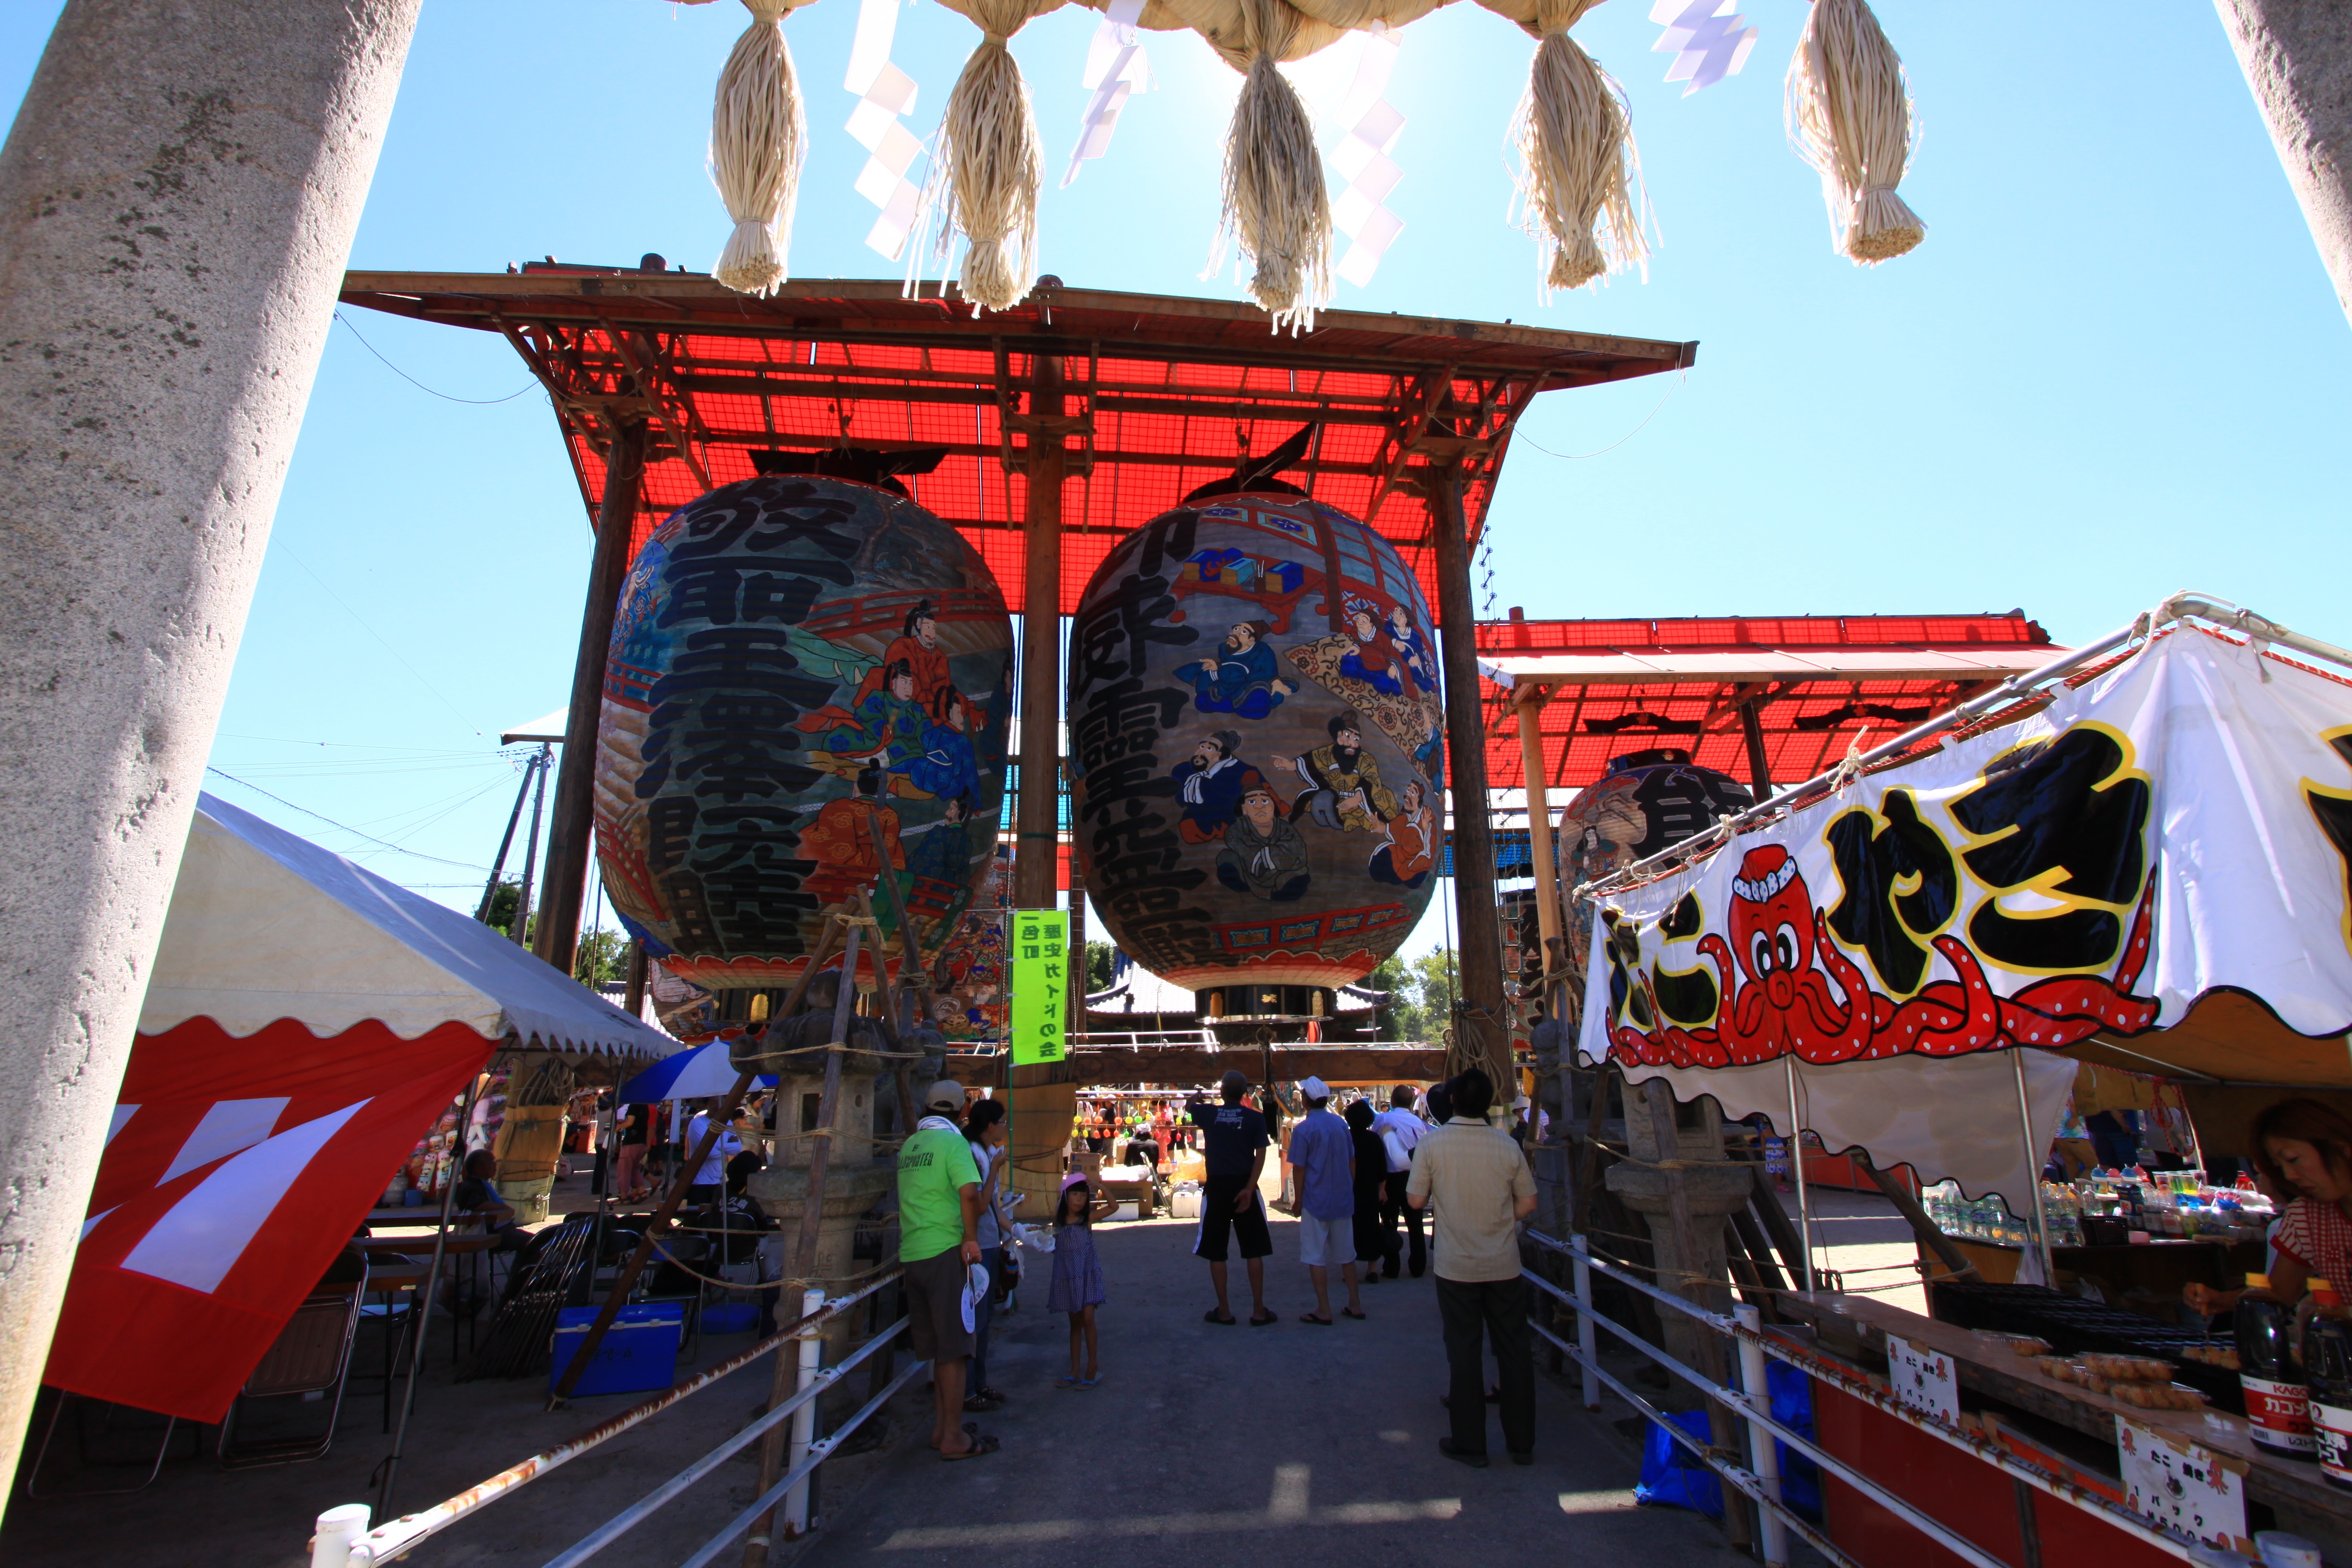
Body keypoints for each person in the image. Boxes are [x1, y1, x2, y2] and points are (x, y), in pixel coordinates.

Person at [1408, 1067, 1538, 1469]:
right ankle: (1522, 1443)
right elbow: (1528, 1204)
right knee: (1514, 1350)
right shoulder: (1506, 1146)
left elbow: (1415, 1202)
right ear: (1488, 1102)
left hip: (1456, 1265)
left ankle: (1471, 1442)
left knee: (1463, 1352)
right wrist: (1500, 1221)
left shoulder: (1433, 1145)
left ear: (1450, 1101)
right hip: (1502, 1261)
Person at [897, 1080, 995, 1459]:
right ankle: (953, 1436)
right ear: (962, 1110)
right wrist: (970, 1239)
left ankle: (942, 1428)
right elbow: (969, 1193)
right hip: (945, 1251)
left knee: (939, 1351)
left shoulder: (911, 1145)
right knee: (955, 1350)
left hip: (913, 1252)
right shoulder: (954, 1144)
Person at [2186, 1098, 2352, 1317]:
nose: (2289, 1175)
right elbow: (2280, 1293)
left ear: (2341, 1148)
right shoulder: (2307, 1216)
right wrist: (2219, 1299)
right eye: (2279, 1167)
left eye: (2293, 1159)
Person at [1186, 1071, 1276, 1326]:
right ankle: (1259, 1310)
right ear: (1246, 1094)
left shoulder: (1209, 1113)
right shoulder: (1255, 1118)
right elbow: (1261, 1155)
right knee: (1254, 1249)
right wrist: (1250, 1188)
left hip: (1217, 1186)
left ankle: (1224, 1311)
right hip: (1244, 1184)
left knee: (1217, 1251)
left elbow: (1191, 1106)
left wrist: (1200, 1095)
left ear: (1222, 1093)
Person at [1283, 1077, 1364, 1324]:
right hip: (1342, 1199)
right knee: (1347, 1255)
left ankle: (1324, 1309)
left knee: (1315, 1255)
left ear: (1306, 1100)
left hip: (1315, 1200)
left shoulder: (1305, 1129)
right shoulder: (1340, 1125)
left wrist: (1297, 1200)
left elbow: (1299, 1168)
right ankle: (1355, 1303)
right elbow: (1352, 1159)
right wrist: (1349, 1187)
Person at [964, 1098, 1014, 1412]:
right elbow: (980, 1204)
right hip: (977, 1243)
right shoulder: (972, 1153)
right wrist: (994, 1169)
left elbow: (994, 1206)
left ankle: (979, 1382)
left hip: (990, 1240)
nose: (1005, 1127)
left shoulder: (986, 1151)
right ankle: (969, 1388)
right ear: (988, 1125)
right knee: (976, 1320)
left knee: (985, 1318)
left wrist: (1017, 1232)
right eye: (1002, 1122)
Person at [1048, 1174, 1117, 1386]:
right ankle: (1075, 1369)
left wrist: (1100, 1186)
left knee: (1088, 1319)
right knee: (1075, 1324)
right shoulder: (1058, 1222)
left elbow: (1113, 1207)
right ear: (1065, 1197)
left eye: (1083, 1196)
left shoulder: (1086, 1219)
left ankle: (1093, 1366)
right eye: (1075, 1195)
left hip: (1087, 1276)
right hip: (1069, 1278)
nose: (1079, 1200)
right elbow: (1050, 1243)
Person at [1372, 1085, 1428, 1278]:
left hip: (1390, 1178)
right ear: (1411, 1102)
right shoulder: (1419, 1123)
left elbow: (1376, 1144)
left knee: (1390, 1223)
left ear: (1393, 1101)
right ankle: (1418, 1266)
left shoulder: (1383, 1119)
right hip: (1413, 1177)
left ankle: (1391, 1267)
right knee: (1416, 1223)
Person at [1345, 1099, 1399, 1284]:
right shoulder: (1374, 1139)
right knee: (1372, 1228)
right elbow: (1382, 1168)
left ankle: (1349, 1270)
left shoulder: (1345, 1138)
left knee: (1349, 1230)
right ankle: (1372, 1269)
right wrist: (1382, 1189)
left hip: (1349, 1190)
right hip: (1370, 1190)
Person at [452, 1152, 528, 1253]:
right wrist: (504, 1208)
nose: (495, 1165)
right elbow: (478, 1205)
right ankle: (528, 1269)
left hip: (497, 1230)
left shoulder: (479, 1183)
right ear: (478, 1168)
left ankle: (524, 1268)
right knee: (536, 1242)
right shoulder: (472, 1185)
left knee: (538, 1240)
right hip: (488, 1233)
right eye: (491, 1162)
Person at [685, 1098, 744, 1204]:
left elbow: (738, 1147)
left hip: (720, 1181)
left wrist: (714, 1146)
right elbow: (708, 1153)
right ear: (706, 1105)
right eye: (713, 1103)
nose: (718, 1106)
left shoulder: (728, 1123)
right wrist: (727, 1149)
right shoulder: (697, 1123)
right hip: (700, 1182)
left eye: (721, 1102)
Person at [615, 1102, 649, 1202]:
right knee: (635, 1168)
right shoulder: (645, 1105)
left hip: (631, 1142)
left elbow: (630, 1122)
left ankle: (623, 1197)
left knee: (624, 1169)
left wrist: (619, 1126)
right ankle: (641, 1192)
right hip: (641, 1141)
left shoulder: (634, 1105)